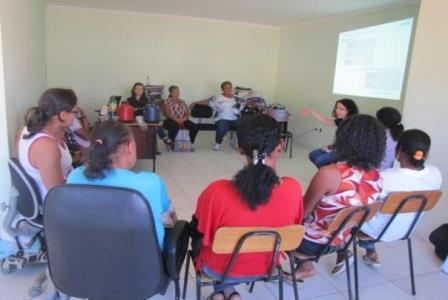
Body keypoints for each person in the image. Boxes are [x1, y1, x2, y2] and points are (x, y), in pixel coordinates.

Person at [191, 114, 304, 300]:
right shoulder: (293, 188)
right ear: (280, 147)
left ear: (240, 149)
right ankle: (228, 292)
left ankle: (223, 290)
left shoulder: (217, 190)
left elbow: (201, 227)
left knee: (197, 234)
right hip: (267, 267)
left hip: (218, 269)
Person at [287, 114, 385, 281]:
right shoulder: (377, 177)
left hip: (311, 244)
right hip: (341, 240)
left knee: (273, 217)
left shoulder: (330, 173)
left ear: (344, 138)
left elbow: (301, 214)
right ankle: (307, 266)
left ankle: (298, 265)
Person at [67, 120, 174, 248]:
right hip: (142, 263)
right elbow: (167, 212)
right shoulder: (150, 182)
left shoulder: (75, 177)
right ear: (129, 147)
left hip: (87, 258)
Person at [351, 129, 442, 267]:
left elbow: (361, 203)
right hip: (406, 229)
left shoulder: (385, 177)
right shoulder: (435, 173)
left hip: (377, 231)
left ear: (398, 151)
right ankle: (371, 254)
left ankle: (342, 252)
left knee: (347, 210)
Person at [17, 88, 78, 199]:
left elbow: (39, 166)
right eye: (75, 112)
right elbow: (58, 194)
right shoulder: (46, 146)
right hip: (53, 204)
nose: (76, 116)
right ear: (63, 115)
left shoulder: (25, 130)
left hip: (66, 186)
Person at [302, 99, 358, 168]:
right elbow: (325, 120)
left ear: (350, 110)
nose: (337, 111)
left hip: (347, 152)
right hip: (338, 148)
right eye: (336, 108)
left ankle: (329, 174)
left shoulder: (353, 124)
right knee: (313, 155)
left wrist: (330, 148)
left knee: (320, 160)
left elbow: (349, 144)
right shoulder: (341, 120)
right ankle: (327, 172)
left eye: (341, 109)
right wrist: (311, 111)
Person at [191, 81, 244, 151]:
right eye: (226, 88)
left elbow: (245, 105)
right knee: (223, 127)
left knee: (244, 126)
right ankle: (217, 143)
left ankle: (242, 145)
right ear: (222, 89)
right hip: (222, 118)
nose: (228, 89)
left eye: (230, 88)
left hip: (235, 118)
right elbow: (207, 102)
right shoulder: (217, 97)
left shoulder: (236, 98)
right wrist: (195, 103)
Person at [127, 82, 171, 147]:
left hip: (146, 117)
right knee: (139, 118)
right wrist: (132, 109)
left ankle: (164, 139)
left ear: (143, 90)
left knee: (156, 122)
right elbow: (127, 110)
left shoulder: (146, 99)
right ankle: (163, 139)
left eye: (141, 89)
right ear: (134, 90)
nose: (139, 91)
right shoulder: (129, 100)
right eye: (137, 89)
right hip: (135, 118)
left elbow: (150, 109)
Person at [162, 85, 198, 150]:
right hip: (171, 120)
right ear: (170, 93)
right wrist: (175, 119)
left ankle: (189, 143)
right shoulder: (167, 101)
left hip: (182, 120)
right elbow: (167, 113)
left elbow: (187, 112)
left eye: (178, 92)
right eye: (175, 92)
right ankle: (171, 144)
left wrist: (185, 118)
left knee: (194, 127)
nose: (177, 93)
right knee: (174, 126)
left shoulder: (182, 101)